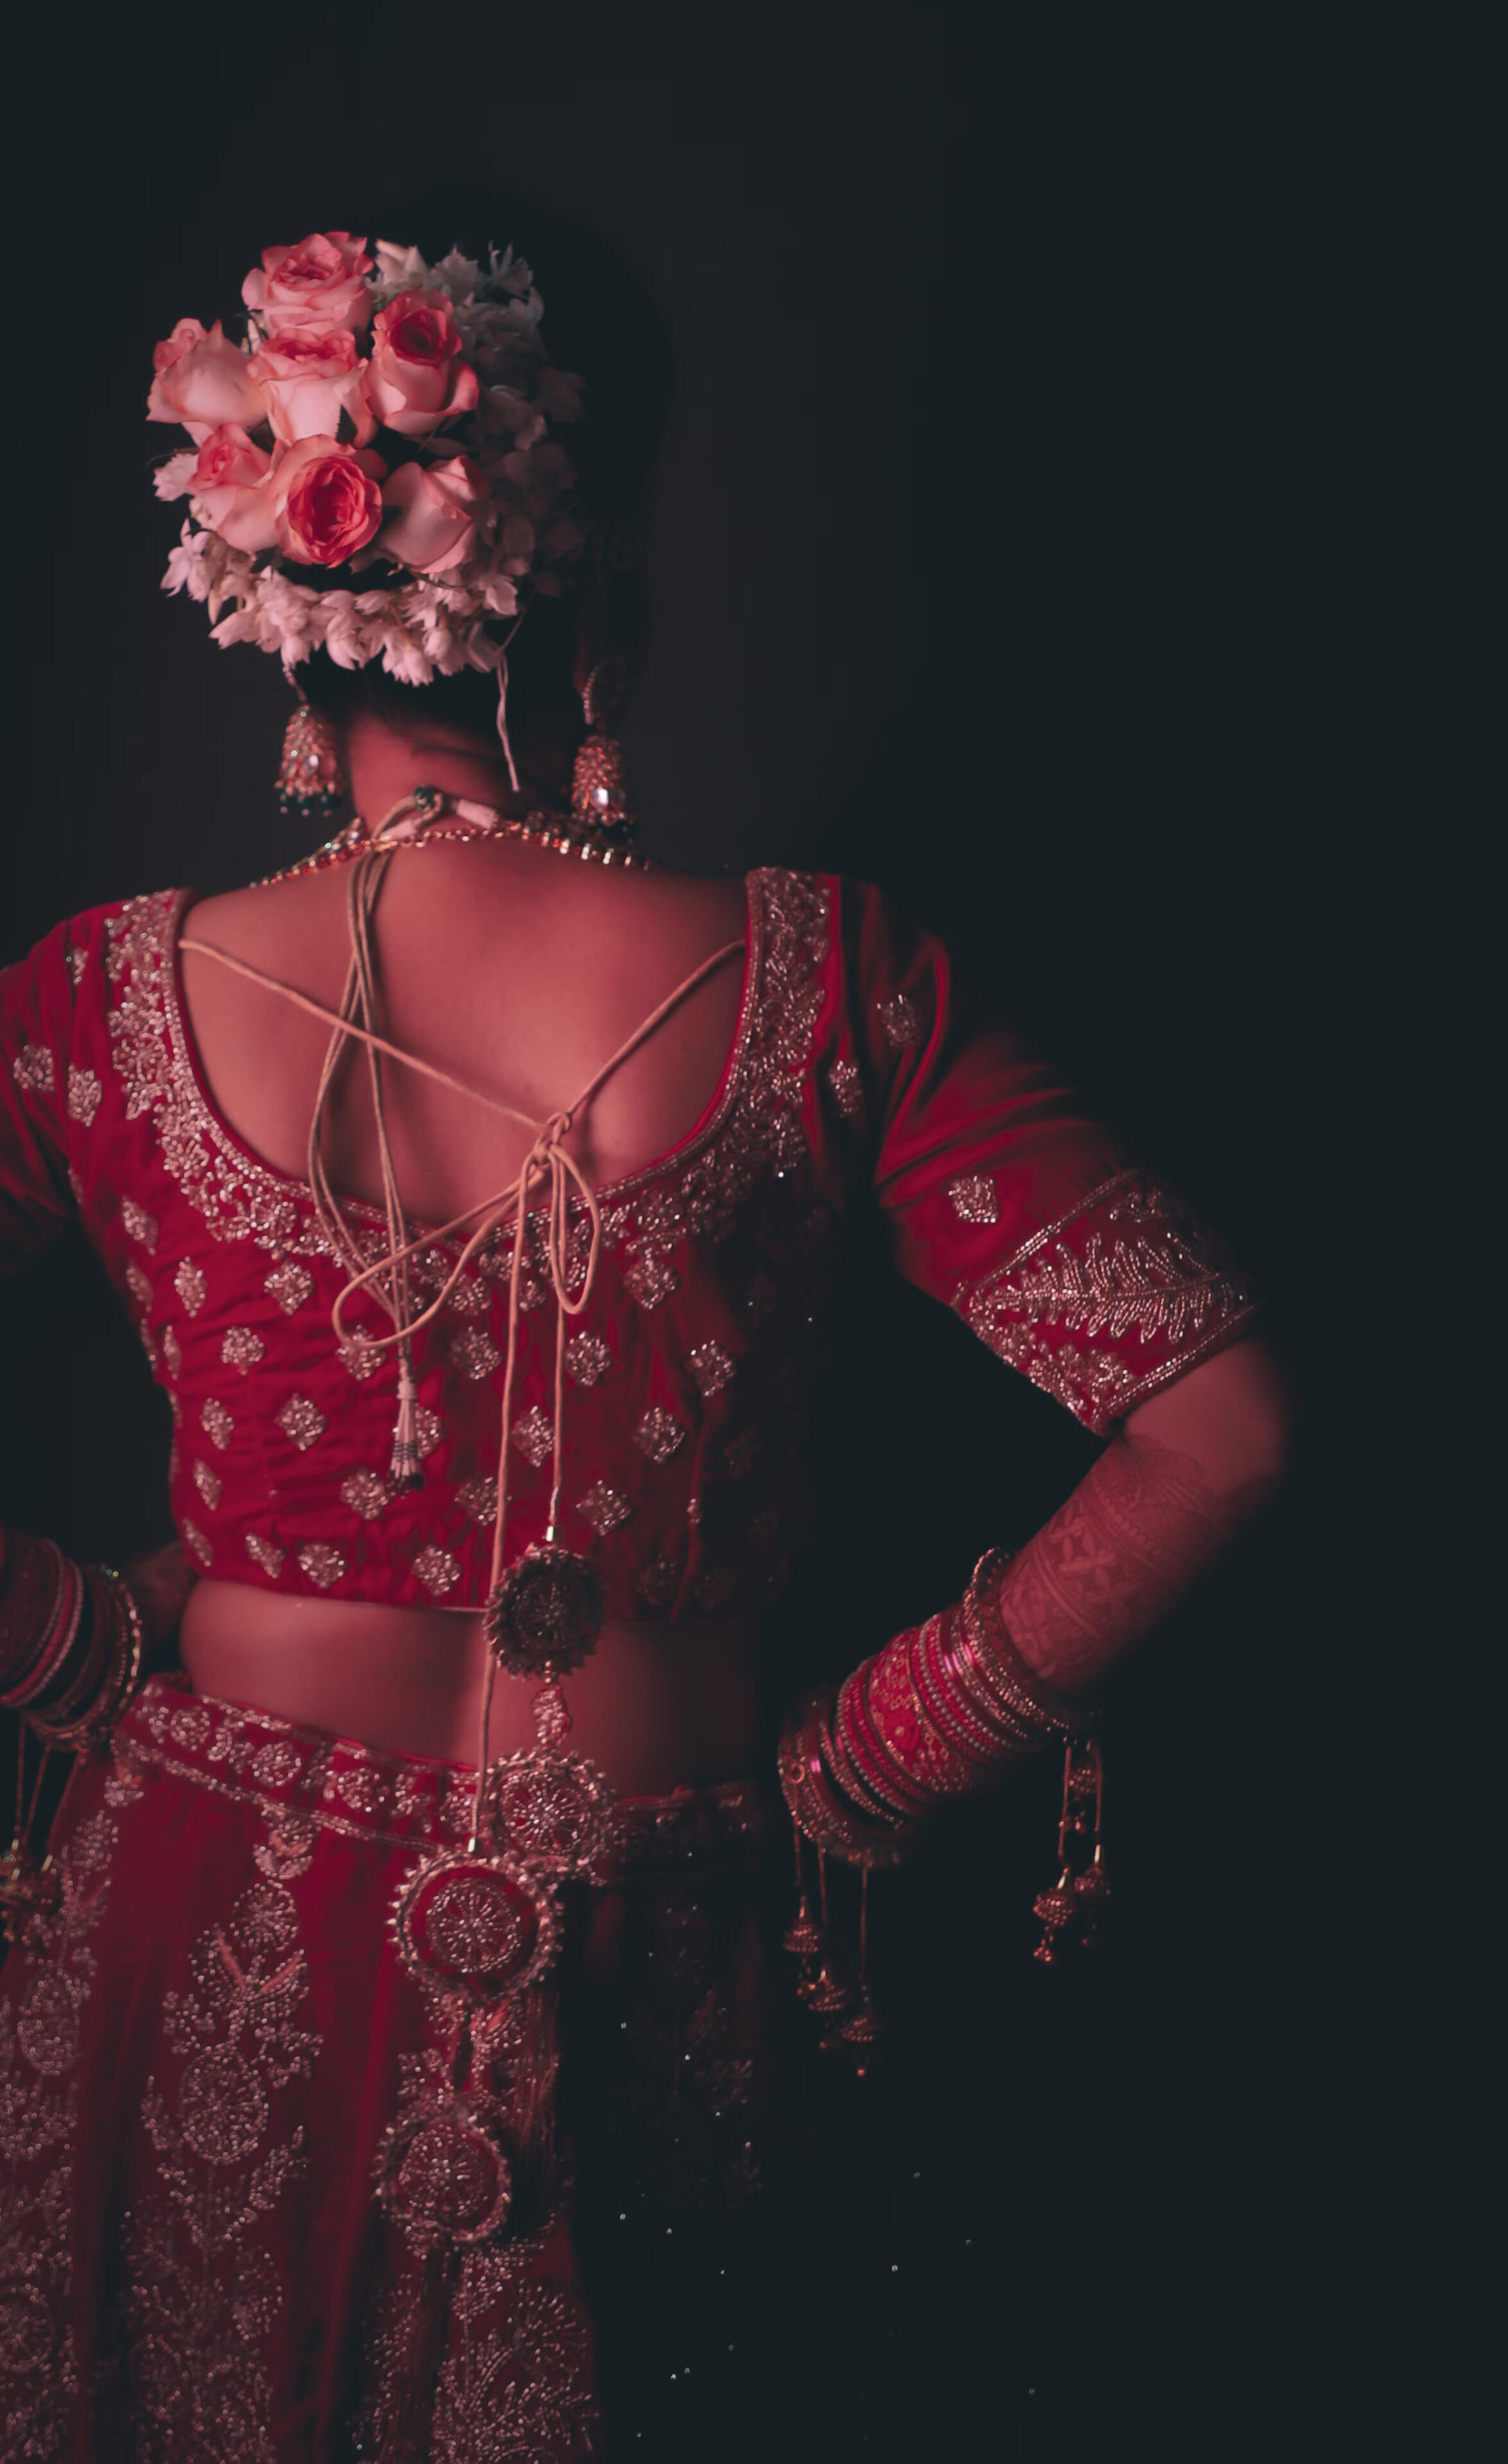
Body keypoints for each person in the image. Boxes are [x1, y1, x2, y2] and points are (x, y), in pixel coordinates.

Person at [0, 203, 1289, 2461]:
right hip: (673, 1927)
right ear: (599, 581)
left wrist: (66, 1654)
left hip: (210, 1912)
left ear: (277, 593)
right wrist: (873, 1758)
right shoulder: (834, 984)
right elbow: (1224, 1429)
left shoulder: (96, 1009)